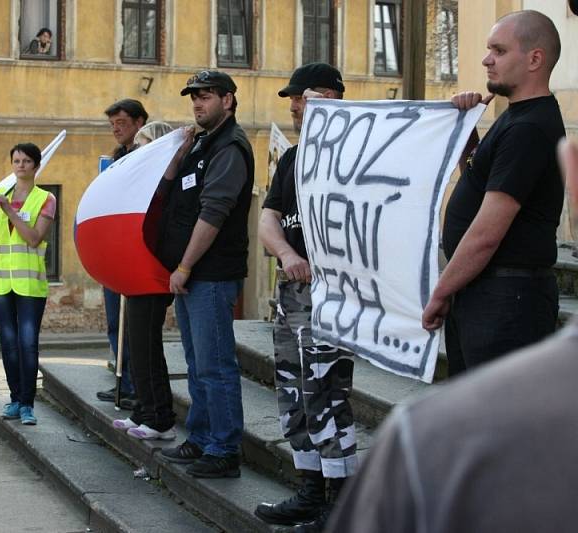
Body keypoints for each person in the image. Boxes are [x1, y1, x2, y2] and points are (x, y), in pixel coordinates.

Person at [325, 137, 578, 533]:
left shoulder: (427, 435)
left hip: (501, 297)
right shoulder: (514, 127)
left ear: (573, 178)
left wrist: (441, 290)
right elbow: (481, 188)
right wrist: (468, 148)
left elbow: (487, 231)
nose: (486, 68)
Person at [422, 10, 565, 376]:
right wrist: (467, 132)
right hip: (489, 296)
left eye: (498, 51)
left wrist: (441, 291)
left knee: (498, 426)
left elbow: (487, 233)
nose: (486, 59)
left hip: (507, 302)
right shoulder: (516, 116)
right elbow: (478, 177)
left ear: (535, 59)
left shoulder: (530, 128)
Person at [254, 63, 356, 531]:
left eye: (305, 97)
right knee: (293, 390)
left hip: (335, 294)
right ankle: (311, 489)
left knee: (326, 392)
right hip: (293, 293)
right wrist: (287, 255)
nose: (294, 106)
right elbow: (268, 218)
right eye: (293, 99)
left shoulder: (356, 150)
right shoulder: (293, 158)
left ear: (334, 98)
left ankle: (341, 501)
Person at [156, 70, 254, 478]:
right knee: (197, 363)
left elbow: (213, 214)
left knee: (215, 365)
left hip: (209, 274)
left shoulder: (229, 147)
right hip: (194, 275)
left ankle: (224, 449)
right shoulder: (201, 143)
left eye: (207, 96)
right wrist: (179, 150)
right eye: (194, 97)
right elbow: (168, 189)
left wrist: (184, 266)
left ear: (228, 101)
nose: (198, 104)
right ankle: (200, 436)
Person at [112, 121, 192, 441]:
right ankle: (144, 410)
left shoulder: (165, 182)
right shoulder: (144, 182)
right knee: (135, 342)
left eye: (144, 144)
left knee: (147, 344)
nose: (136, 149)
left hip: (154, 271)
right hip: (138, 270)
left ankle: (161, 418)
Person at [0, 142, 56, 426]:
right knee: (8, 344)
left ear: (36, 166)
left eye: (26, 161)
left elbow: (34, 237)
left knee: (27, 343)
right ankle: (14, 399)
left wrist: (10, 213)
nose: (20, 165)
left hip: (29, 285)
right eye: (16, 161)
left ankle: (28, 404)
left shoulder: (45, 198)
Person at [96, 99, 149, 408]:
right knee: (116, 324)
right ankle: (122, 379)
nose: (116, 129)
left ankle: (137, 386)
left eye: (122, 123)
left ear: (139, 122)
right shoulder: (116, 158)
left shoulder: (147, 157)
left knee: (134, 327)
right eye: (112, 124)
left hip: (135, 254)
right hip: (113, 253)